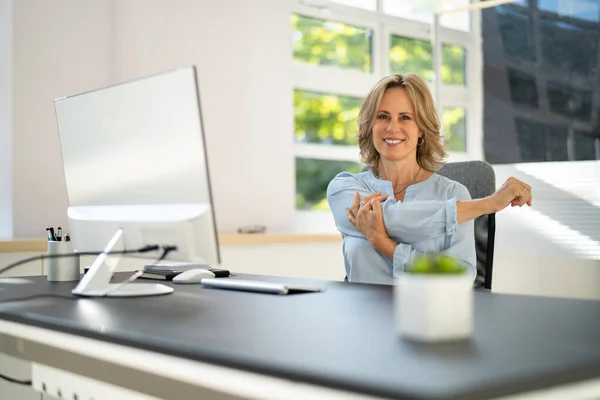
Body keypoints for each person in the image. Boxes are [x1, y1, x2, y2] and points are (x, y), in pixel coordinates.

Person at [326, 73, 532, 285]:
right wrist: (488, 204)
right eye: (382, 116)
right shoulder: (346, 189)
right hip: (361, 314)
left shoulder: (454, 194)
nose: (392, 127)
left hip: (429, 315)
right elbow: (394, 218)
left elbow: (461, 274)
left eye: (405, 117)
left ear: (422, 129)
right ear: (370, 125)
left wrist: (385, 246)